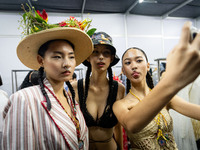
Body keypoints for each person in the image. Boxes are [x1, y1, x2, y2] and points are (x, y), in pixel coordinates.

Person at [2, 6, 94, 150]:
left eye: (71, 57)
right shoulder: (24, 99)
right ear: (41, 60)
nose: (67, 64)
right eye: (57, 57)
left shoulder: (69, 97)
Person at [113, 22, 200, 149]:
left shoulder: (167, 99)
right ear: (123, 71)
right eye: (128, 63)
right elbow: (131, 124)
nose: (134, 66)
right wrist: (171, 82)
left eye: (139, 60)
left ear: (148, 66)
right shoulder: (120, 105)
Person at [72, 32, 125, 150]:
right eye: (95, 52)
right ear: (88, 56)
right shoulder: (76, 88)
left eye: (106, 53)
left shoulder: (119, 89)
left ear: (111, 58)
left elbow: (118, 127)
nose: (101, 57)